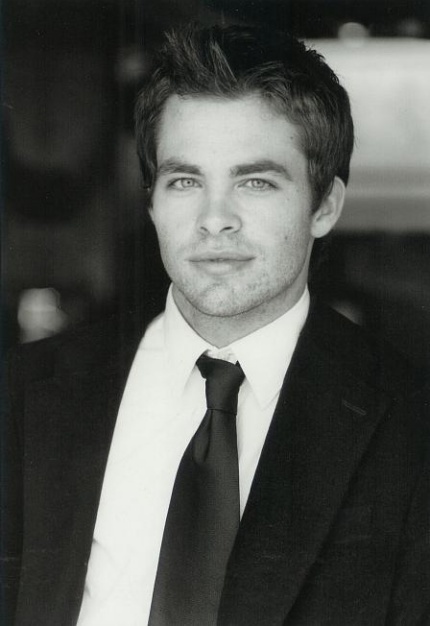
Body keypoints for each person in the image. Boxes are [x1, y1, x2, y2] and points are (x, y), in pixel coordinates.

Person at [2, 23, 429, 626]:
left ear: (325, 205)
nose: (214, 218)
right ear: (152, 203)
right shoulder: (20, 395)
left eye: (255, 181)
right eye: (185, 181)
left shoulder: (411, 427)